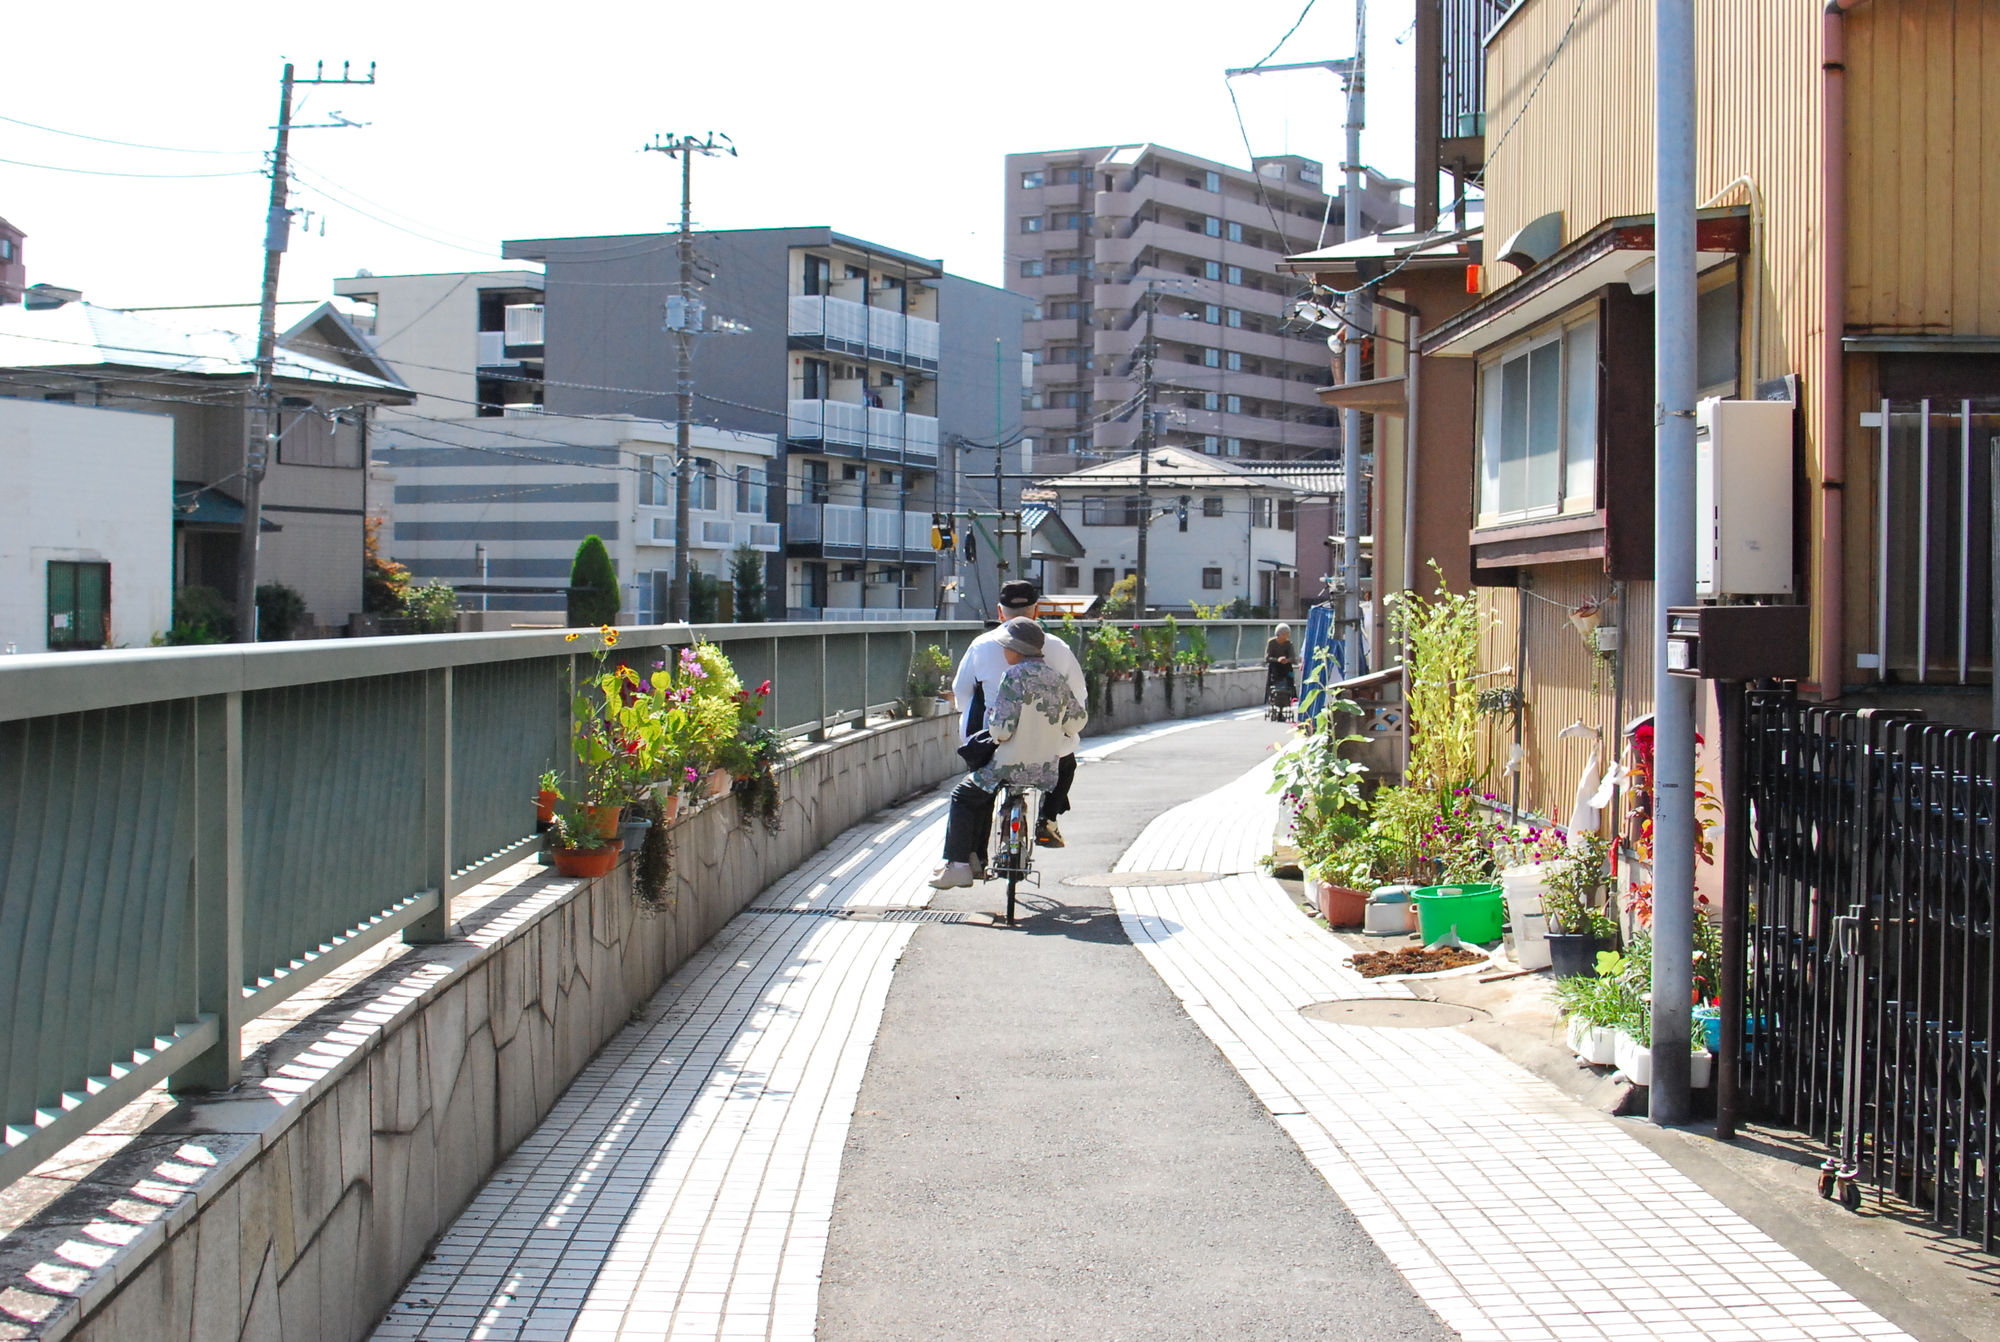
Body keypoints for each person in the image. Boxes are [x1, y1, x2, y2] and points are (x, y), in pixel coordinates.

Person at [932, 618, 1087, 890]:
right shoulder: (1056, 679)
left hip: (1006, 765)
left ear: (1015, 651)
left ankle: (958, 867)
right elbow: (1076, 722)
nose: (1004, 652)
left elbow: (1001, 730)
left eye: (1006, 648)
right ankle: (1045, 823)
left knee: (963, 796)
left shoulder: (1013, 676)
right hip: (1045, 768)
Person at [949, 580, 1087, 846]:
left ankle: (975, 854)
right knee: (1066, 760)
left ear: (1001, 613)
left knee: (979, 787)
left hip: (998, 748)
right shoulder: (1058, 647)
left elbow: (961, 694)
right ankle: (1047, 820)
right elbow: (1079, 699)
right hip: (1049, 748)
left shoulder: (982, 645)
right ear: (1037, 612)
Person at [1265, 623, 1297, 707]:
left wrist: (1287, 660)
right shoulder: (1271, 642)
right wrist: (1278, 660)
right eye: (1285, 634)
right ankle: (1271, 698)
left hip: (1287, 667)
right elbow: (1267, 658)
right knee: (1273, 679)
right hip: (1275, 667)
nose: (1287, 636)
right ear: (1279, 633)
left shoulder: (1289, 644)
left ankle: (1292, 696)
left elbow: (1293, 657)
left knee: (1291, 676)